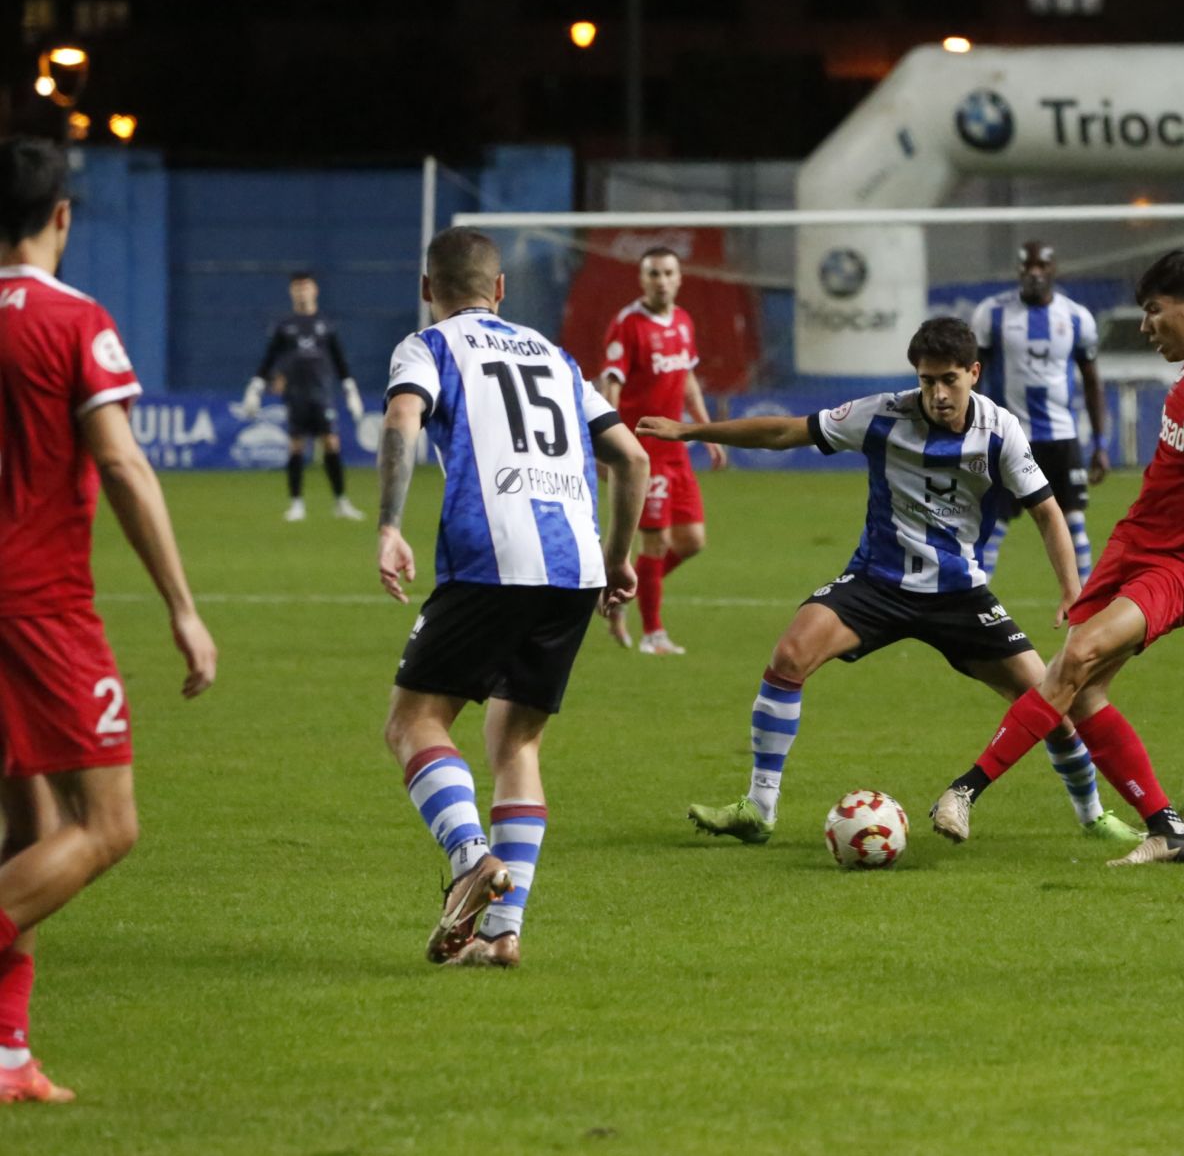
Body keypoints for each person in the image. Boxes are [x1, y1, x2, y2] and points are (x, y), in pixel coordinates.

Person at [643, 317, 1142, 846]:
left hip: (959, 594)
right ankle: (759, 809)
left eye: (949, 379)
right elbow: (785, 431)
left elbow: (1047, 513)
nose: (938, 393)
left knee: (1050, 702)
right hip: (876, 583)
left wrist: (1070, 588)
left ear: (973, 373)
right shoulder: (882, 414)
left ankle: (1092, 816)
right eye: (927, 381)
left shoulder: (1000, 431)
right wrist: (689, 431)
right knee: (790, 655)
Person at [931, 249, 1184, 867]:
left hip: (1178, 569)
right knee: (1081, 693)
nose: (1147, 326)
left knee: (1075, 658)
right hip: (1130, 546)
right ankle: (1171, 832)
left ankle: (963, 792)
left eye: (1154, 313)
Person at [0, 136, 219, 1103]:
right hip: (39, 606)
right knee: (107, 825)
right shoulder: (72, 318)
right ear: (61, 216)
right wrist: (182, 608)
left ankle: (7, 1055)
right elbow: (124, 464)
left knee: (29, 822)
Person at [375, 227, 650, 968]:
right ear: (500, 290)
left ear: (429, 289)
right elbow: (632, 456)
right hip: (575, 562)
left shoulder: (428, 345)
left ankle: (470, 857)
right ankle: (501, 935)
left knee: (415, 721)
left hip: (490, 553)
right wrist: (619, 558)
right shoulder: (558, 358)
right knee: (517, 740)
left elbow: (403, 418)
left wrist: (390, 524)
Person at [597, 246, 724, 653]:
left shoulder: (683, 322)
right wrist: (610, 443)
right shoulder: (628, 325)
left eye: (668, 273)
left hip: (677, 448)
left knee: (691, 541)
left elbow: (686, 377)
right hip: (643, 450)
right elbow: (610, 386)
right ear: (643, 279)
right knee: (653, 544)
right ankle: (654, 634)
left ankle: (619, 591)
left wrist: (704, 430)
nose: (662, 280)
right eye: (653, 273)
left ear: (679, 277)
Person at [971, 241, 1108, 582]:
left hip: (1062, 438)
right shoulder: (992, 313)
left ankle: (1086, 606)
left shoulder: (1077, 317)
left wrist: (1100, 444)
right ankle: (974, 600)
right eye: (1027, 266)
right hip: (1009, 437)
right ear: (1019, 270)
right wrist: (970, 430)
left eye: (1042, 266)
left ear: (1053, 269)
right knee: (993, 523)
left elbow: (1092, 381)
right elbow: (973, 377)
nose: (1034, 273)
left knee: (1074, 522)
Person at [239, 272, 366, 521]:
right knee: (296, 445)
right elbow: (269, 359)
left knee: (330, 443)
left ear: (314, 290)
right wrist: (254, 388)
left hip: (322, 393)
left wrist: (351, 391)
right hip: (295, 394)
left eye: (305, 287)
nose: (302, 292)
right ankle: (296, 504)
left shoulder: (325, 324)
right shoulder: (285, 326)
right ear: (291, 293)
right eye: (297, 288)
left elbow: (340, 360)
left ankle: (341, 502)